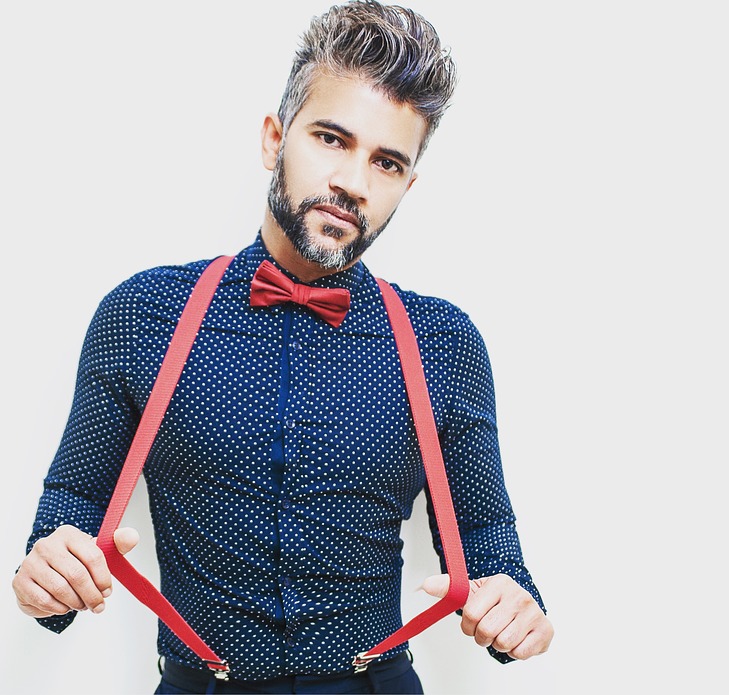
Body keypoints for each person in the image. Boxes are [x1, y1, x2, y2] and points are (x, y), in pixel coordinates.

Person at [11, 1, 553, 692]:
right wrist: (47, 575)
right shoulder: (143, 314)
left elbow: (488, 546)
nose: (353, 183)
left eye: (387, 162)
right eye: (331, 138)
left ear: (407, 185)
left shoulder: (444, 343)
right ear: (275, 140)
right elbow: (68, 514)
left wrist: (514, 608)